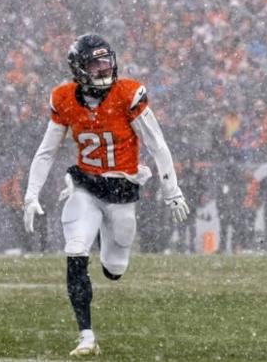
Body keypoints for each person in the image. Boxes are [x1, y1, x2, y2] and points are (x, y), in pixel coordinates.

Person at [22, 34, 189, 356]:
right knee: (75, 251)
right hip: (85, 185)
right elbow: (46, 151)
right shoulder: (64, 98)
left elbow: (157, 145)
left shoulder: (127, 94)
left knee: (114, 269)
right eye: (95, 64)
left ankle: (101, 234)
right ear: (79, 69)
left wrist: (172, 190)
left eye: (106, 61)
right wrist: (31, 194)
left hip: (122, 191)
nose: (103, 69)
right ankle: (86, 336)